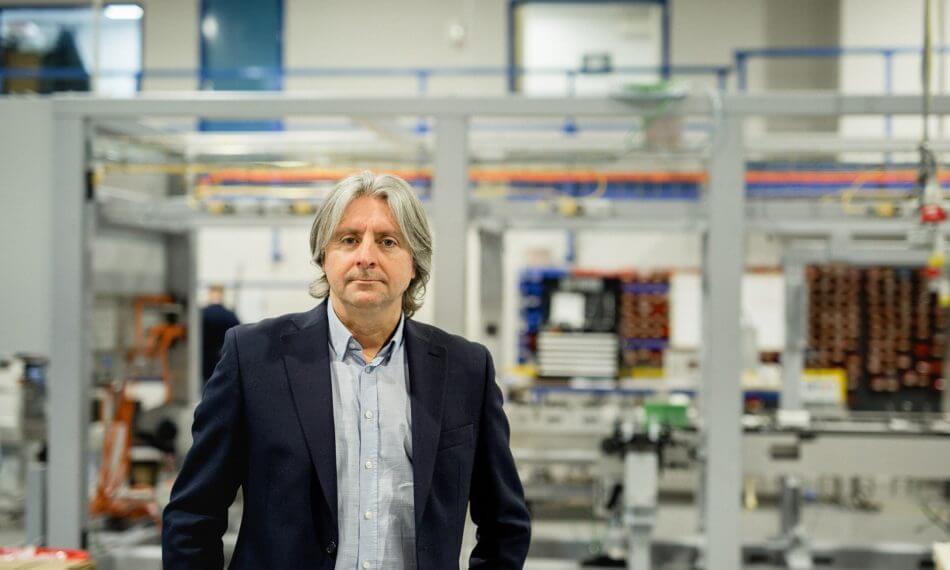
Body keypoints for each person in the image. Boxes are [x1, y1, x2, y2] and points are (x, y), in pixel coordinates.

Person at [163, 171, 531, 569]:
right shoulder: (253, 358)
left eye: (388, 241)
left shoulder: (465, 369)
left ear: (415, 262)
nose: (366, 257)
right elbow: (194, 515)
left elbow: (504, 524)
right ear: (324, 256)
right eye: (349, 239)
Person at [200, 284, 240, 385]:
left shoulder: (201, 314)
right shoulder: (230, 315)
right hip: (223, 358)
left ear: (210, 295)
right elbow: (237, 337)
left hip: (203, 359)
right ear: (222, 295)